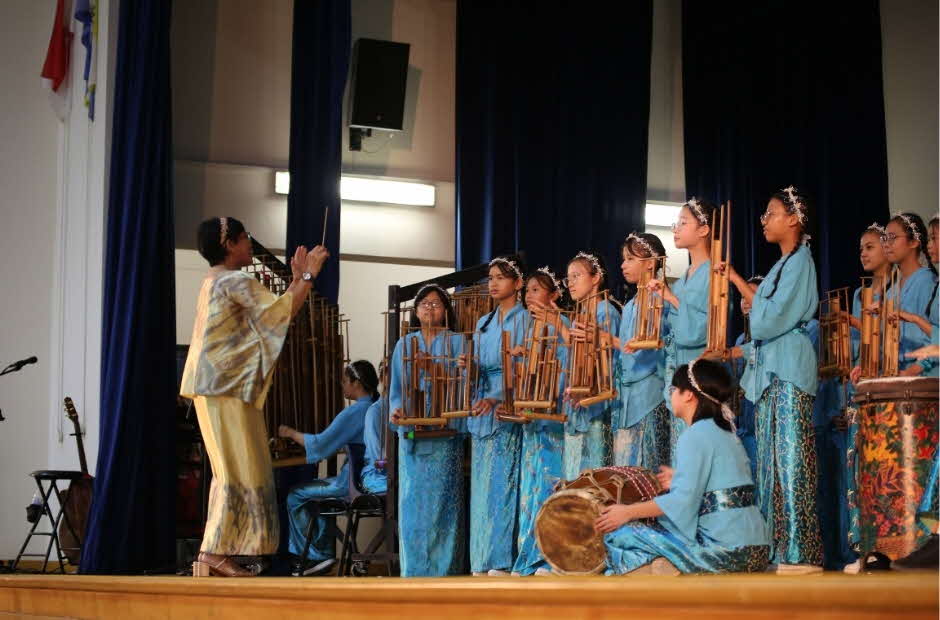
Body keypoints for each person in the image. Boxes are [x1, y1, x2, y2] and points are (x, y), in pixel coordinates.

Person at [182, 216, 329, 577]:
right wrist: (307, 276)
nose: (249, 244)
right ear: (229, 244)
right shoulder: (234, 280)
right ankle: (213, 553)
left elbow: (272, 313)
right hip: (225, 388)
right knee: (236, 470)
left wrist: (297, 280)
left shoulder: (215, 279)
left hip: (217, 387)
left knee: (233, 469)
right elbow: (280, 314)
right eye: (245, 238)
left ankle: (218, 551)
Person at [725, 186, 823, 573]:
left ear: (793, 219)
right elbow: (764, 322)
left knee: (791, 458)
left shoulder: (800, 261)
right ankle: (776, 548)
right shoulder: (783, 265)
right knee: (769, 463)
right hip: (771, 370)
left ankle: (800, 551)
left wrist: (737, 281)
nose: (764, 220)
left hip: (789, 369)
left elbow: (769, 319)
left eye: (771, 213)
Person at [596, 359, 770, 575]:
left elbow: (682, 502)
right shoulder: (726, 433)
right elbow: (722, 484)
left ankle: (667, 569)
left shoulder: (694, 435)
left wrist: (627, 512)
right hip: (758, 549)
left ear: (688, 395)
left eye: (674, 390)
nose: (670, 396)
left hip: (728, 551)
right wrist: (679, 477)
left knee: (618, 536)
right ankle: (665, 566)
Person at [389, 284, 468, 577]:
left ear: (446, 310)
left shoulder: (457, 342)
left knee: (442, 506)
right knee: (412, 505)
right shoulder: (404, 344)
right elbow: (395, 389)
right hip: (413, 435)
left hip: (445, 434)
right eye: (424, 303)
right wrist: (397, 411)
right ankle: (413, 573)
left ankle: (444, 573)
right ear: (415, 310)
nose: (429, 308)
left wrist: (431, 367)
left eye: (436, 303)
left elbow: (463, 386)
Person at [278, 360, 379, 576]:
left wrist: (290, 433)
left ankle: (315, 556)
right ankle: (322, 552)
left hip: (350, 482)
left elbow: (320, 444)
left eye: (344, 381)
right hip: (366, 477)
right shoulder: (378, 407)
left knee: (295, 495)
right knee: (317, 494)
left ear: (356, 383)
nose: (342, 386)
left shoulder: (356, 412)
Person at [467, 257, 530, 576]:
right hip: (482, 404)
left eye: (501, 278)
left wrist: (499, 396)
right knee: (481, 487)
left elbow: (526, 367)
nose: (493, 283)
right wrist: (468, 366)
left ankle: (501, 559)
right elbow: (478, 364)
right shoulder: (483, 322)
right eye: (490, 278)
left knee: (502, 484)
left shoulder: (525, 320)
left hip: (508, 403)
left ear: (518, 284)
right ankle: (480, 558)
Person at [511, 267, 569, 576]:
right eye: (527, 290)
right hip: (533, 418)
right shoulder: (529, 327)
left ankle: (548, 555)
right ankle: (528, 555)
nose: (529, 295)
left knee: (550, 483)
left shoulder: (563, 325)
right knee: (530, 488)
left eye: (536, 290)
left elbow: (568, 367)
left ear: (554, 295)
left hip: (553, 416)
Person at [649, 198, 718, 454]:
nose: (676, 229)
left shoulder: (715, 274)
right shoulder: (682, 280)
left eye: (683, 222)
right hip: (679, 377)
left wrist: (672, 299)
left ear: (704, 229)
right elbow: (671, 333)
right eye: (675, 223)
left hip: (700, 377)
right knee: (680, 453)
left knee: (697, 452)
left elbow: (703, 329)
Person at [612, 233, 671, 469]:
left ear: (650, 263)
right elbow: (626, 350)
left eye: (630, 259)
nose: (623, 265)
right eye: (623, 259)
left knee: (648, 465)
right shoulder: (630, 305)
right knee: (625, 468)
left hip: (650, 394)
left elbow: (666, 344)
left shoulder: (662, 299)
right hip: (626, 396)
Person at [562, 251, 621, 479]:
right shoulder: (580, 316)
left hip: (597, 406)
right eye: (568, 278)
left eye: (577, 276)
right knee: (573, 476)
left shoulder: (606, 312)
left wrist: (587, 389)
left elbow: (610, 363)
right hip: (578, 406)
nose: (571, 283)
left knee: (594, 477)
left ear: (596, 278)